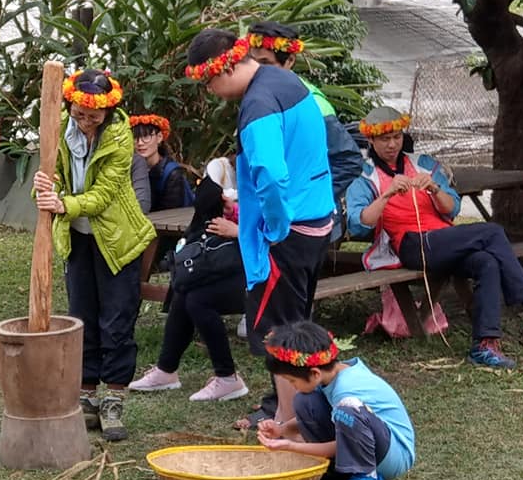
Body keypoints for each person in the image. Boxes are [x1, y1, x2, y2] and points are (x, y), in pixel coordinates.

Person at [186, 30, 334, 428]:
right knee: (297, 326)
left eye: (209, 81)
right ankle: (303, 411)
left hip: (289, 231)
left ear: (228, 66)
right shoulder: (287, 80)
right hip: (317, 219)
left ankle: (287, 422)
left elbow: (270, 172)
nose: (212, 90)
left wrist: (273, 226)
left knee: (278, 335)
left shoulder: (258, 105)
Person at [346, 106, 523, 368]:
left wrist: (433, 188)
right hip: (412, 245)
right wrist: (386, 195)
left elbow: (452, 208)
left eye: (396, 137)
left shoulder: (423, 164)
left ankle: (485, 344)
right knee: (492, 231)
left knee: (486, 262)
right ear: (371, 141)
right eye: (384, 139)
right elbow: (359, 223)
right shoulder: (365, 178)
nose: (392, 144)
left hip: (442, 239)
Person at [33, 69, 155, 441]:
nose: (85, 122)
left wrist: (61, 203)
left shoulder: (120, 138)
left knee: (116, 320)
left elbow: (102, 198)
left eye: (93, 117)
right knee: (82, 317)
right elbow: (56, 179)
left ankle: (114, 399)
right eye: (79, 114)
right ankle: (86, 398)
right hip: (78, 239)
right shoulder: (61, 132)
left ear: (108, 111)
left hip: (117, 240)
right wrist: (45, 186)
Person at [129, 157, 249, 401]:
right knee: (183, 289)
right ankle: (166, 370)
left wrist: (238, 231)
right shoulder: (239, 168)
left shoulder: (276, 174)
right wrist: (229, 207)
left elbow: (279, 231)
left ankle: (227, 378)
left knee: (198, 299)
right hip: (235, 263)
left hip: (264, 272)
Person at [257, 320, 415, 480]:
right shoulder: (332, 376)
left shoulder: (346, 391)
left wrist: (291, 447)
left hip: (393, 456)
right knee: (305, 400)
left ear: (315, 373)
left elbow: (340, 443)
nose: (293, 386)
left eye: (292, 380)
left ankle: (367, 476)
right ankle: (341, 469)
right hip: (370, 440)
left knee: (347, 409)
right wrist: (282, 429)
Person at [247, 22, 363, 240]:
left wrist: (308, 196)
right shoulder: (259, 98)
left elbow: (349, 160)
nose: (258, 71)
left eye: (266, 63)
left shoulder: (313, 104)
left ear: (290, 61)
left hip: (308, 223)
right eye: (253, 63)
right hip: (278, 218)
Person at [129, 114, 194, 211]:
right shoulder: (129, 168)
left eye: (146, 136)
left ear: (159, 137)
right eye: (135, 138)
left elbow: (172, 212)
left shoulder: (173, 173)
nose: (140, 143)